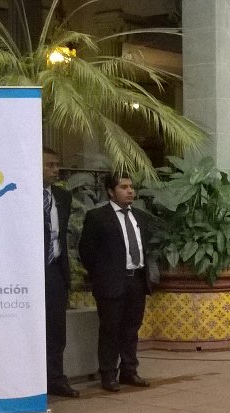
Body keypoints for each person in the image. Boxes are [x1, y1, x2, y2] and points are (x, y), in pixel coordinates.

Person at [79, 172, 152, 392]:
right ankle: (108, 374)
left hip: (136, 280)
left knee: (131, 328)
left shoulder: (139, 216)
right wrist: (102, 275)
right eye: (123, 187)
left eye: (131, 186)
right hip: (110, 283)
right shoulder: (97, 217)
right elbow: (86, 251)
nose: (130, 191)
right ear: (111, 191)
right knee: (110, 330)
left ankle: (129, 371)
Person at [41, 148, 78, 398]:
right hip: (30, 271)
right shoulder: (20, 195)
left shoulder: (63, 197)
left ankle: (56, 378)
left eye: (57, 165)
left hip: (55, 270)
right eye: (50, 165)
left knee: (56, 329)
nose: (56, 170)